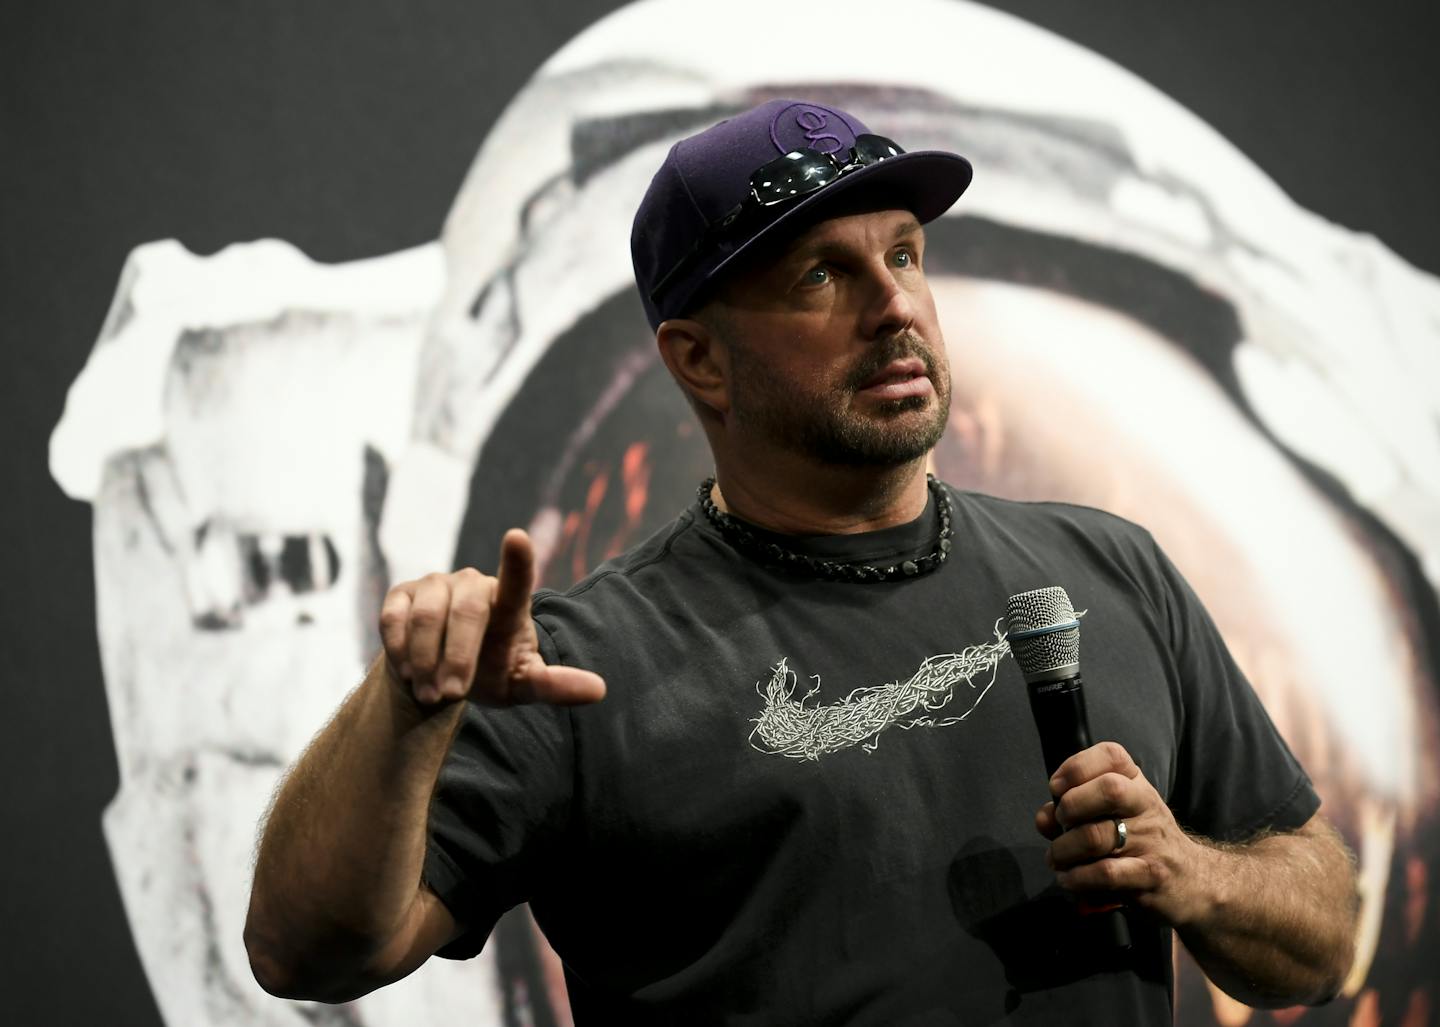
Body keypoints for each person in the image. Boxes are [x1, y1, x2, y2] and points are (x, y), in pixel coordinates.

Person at [244, 99, 1359, 1023]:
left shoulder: (1112, 568)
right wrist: (402, 711)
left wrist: (1193, 872)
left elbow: (1316, 937)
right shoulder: (579, 667)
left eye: (906, 255)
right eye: (821, 277)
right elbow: (310, 953)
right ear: (699, 360)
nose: (895, 308)